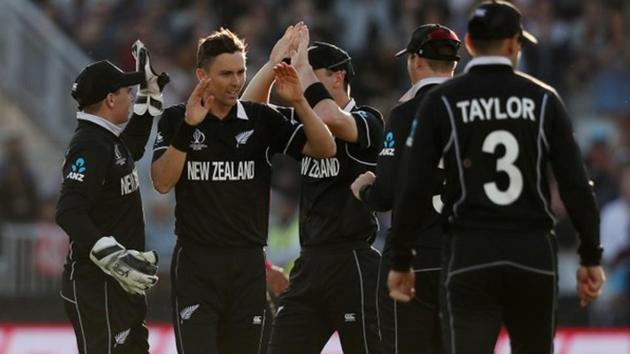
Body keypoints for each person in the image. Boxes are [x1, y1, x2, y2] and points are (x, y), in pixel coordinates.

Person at [387, 2, 606, 354]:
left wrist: (401, 260)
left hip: (470, 251)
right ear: (513, 44)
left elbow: (412, 186)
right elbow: (575, 185)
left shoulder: (442, 102)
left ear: (470, 43)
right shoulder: (544, 99)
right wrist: (590, 256)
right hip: (531, 251)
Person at [150, 28, 335, 354]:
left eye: (240, 72)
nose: (236, 81)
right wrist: (187, 130)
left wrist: (299, 102)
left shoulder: (261, 119)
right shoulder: (175, 119)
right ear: (201, 75)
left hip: (247, 267)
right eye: (225, 74)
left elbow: (325, 148)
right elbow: (162, 182)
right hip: (197, 265)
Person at [243, 24, 385, 354]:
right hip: (309, 263)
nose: (298, 79)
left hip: (352, 262)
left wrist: (301, 66)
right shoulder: (305, 120)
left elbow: (327, 114)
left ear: (337, 77)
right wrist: (273, 64)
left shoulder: (368, 119)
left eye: (309, 72)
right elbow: (250, 113)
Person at [350, 24, 461, 354]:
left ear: (415, 60)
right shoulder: (474, 110)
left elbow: (385, 195)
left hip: (415, 259)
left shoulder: (406, 111)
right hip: (466, 258)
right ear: (454, 63)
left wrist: (364, 190)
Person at [56, 41, 169, 354]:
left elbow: (132, 147)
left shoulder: (107, 140)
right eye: (126, 93)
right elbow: (68, 211)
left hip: (117, 283)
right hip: (98, 284)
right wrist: (112, 256)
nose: (130, 98)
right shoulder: (89, 145)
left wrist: (151, 95)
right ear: (109, 99)